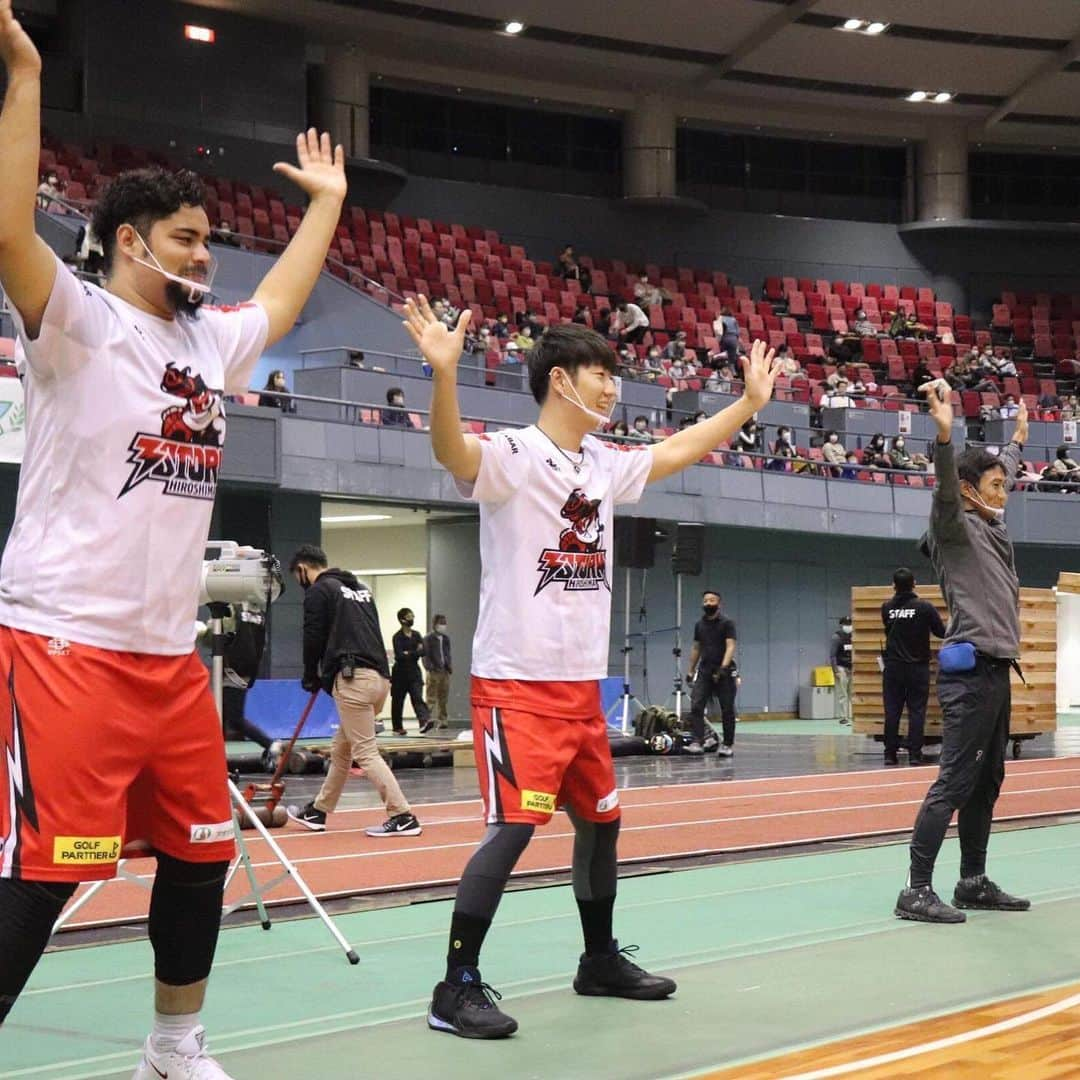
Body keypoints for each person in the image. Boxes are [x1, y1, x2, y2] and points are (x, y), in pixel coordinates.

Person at [0, 5, 347, 1070]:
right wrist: (22, 84)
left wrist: (326, 204)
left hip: (165, 662)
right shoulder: (78, 321)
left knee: (201, 858)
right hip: (64, 644)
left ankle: (175, 1045)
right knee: (48, 875)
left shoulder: (209, 341)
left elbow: (282, 303)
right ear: (129, 240)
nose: (208, 253)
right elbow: (10, 234)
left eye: (209, 235)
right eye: (189, 236)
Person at [400, 295, 781, 1039]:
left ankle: (598, 959)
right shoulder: (513, 456)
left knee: (602, 826)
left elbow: (675, 452)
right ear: (557, 380)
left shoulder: (601, 465)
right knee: (513, 830)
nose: (612, 386)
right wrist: (443, 376)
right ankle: (455, 985)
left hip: (580, 692)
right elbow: (453, 453)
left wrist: (745, 404)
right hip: (516, 686)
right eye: (598, 373)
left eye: (614, 373)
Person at [894, 383, 1031, 924]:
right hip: (970, 676)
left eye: (1005, 485)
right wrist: (945, 436)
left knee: (987, 779)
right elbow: (949, 488)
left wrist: (1017, 441)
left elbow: (1005, 471)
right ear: (972, 491)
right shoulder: (955, 529)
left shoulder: (992, 522)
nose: (1004, 493)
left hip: (997, 674)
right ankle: (915, 890)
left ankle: (971, 880)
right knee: (954, 779)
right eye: (995, 486)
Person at [286, 546, 422, 837]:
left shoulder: (320, 591)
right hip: (379, 680)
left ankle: (403, 815)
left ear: (302, 570)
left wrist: (311, 675)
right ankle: (319, 811)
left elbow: (313, 636)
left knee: (365, 752)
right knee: (342, 750)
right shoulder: (360, 588)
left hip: (353, 679)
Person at [881, 568, 946, 766]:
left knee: (892, 712)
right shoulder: (924, 608)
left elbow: (889, 628)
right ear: (914, 584)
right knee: (917, 711)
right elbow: (941, 632)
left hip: (893, 668)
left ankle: (890, 755)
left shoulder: (886, 607)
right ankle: (915, 755)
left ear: (893, 585)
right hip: (918, 668)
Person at [686, 591, 737, 756]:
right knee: (696, 704)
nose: (708, 603)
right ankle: (697, 742)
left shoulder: (727, 623)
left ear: (719, 604)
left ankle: (727, 744)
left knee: (727, 708)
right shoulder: (699, 625)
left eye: (712, 600)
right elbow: (696, 647)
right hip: (705, 670)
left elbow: (730, 646)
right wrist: (690, 669)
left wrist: (724, 667)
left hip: (724, 671)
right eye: (706, 600)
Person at [391, 607, 431, 734]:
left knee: (417, 697)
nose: (412, 618)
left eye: (412, 616)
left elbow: (423, 651)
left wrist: (409, 652)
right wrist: (415, 652)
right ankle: (398, 727)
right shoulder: (397, 637)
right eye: (409, 616)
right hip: (400, 674)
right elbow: (399, 655)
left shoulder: (417, 634)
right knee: (398, 701)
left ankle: (424, 721)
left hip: (414, 672)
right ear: (402, 620)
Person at [422, 614, 453, 731]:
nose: (443, 625)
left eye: (445, 623)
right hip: (434, 671)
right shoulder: (428, 638)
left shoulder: (446, 639)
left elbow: (447, 654)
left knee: (443, 698)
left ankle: (443, 720)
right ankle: (426, 720)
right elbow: (425, 655)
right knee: (431, 697)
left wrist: (449, 666)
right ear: (435, 624)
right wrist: (429, 668)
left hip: (445, 671)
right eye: (441, 623)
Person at [830, 616, 853, 723]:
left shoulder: (854, 636)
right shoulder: (836, 637)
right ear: (841, 625)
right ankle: (844, 717)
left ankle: (854, 717)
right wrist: (836, 671)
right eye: (846, 624)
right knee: (842, 694)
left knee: (853, 694)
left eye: (850, 624)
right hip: (841, 667)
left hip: (852, 668)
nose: (848, 626)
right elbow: (833, 655)